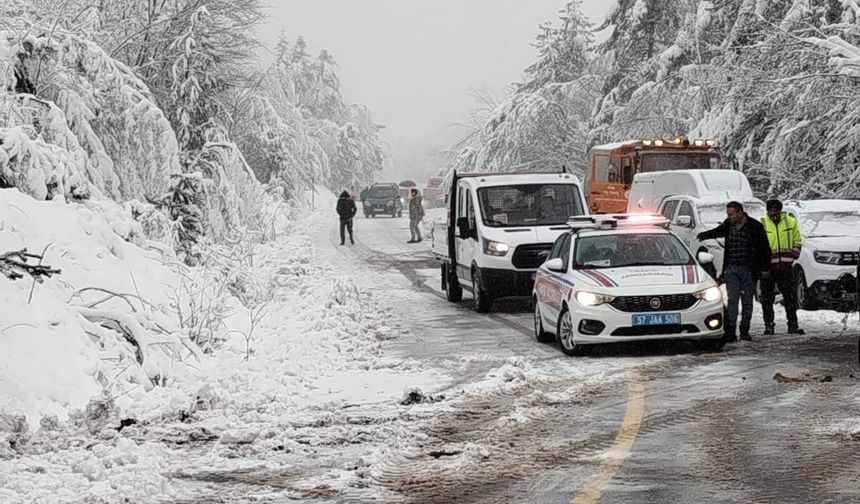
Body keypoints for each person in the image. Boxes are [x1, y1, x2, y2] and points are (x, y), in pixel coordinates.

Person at [697, 201, 771, 342]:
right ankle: (731, 331)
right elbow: (717, 231)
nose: (729, 216)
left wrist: (764, 268)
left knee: (747, 301)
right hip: (732, 269)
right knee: (732, 301)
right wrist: (704, 235)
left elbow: (764, 249)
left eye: (731, 214)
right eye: (728, 214)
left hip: (748, 269)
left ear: (740, 213)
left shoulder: (755, 227)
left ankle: (744, 330)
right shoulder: (728, 225)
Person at [760, 199, 805, 335]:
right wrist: (762, 265)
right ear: (767, 211)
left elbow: (797, 239)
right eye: (771, 210)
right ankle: (769, 325)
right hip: (768, 268)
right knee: (767, 298)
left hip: (785, 266)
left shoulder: (790, 221)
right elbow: (758, 246)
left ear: (780, 210)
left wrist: (794, 254)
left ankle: (793, 325)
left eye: (776, 210)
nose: (774, 213)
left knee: (789, 297)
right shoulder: (762, 223)